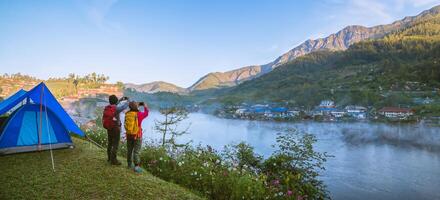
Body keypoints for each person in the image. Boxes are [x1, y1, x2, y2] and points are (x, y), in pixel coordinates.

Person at [102, 95, 129, 165]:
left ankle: (109, 158)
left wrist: (121, 100)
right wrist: (127, 100)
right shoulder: (117, 108)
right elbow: (125, 106)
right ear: (116, 101)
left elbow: (116, 104)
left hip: (109, 128)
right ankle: (114, 160)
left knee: (110, 143)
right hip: (116, 128)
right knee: (115, 144)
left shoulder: (107, 107)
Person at [124, 101, 149, 173]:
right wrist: (145, 106)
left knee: (129, 150)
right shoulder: (139, 114)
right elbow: (146, 113)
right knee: (136, 151)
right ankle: (136, 167)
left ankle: (129, 164)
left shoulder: (127, 114)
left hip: (129, 135)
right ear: (136, 107)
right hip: (137, 135)